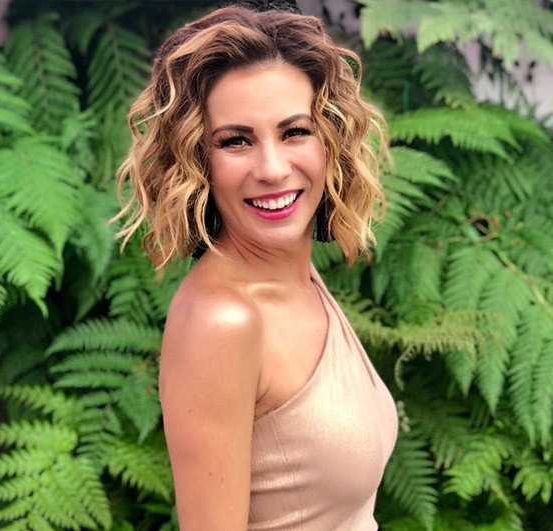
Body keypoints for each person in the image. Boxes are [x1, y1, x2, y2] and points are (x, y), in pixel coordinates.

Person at [111, 4, 398, 530]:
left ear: (331, 140)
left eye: (295, 132)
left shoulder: (296, 278)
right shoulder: (221, 323)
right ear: (197, 161)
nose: (271, 168)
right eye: (235, 141)